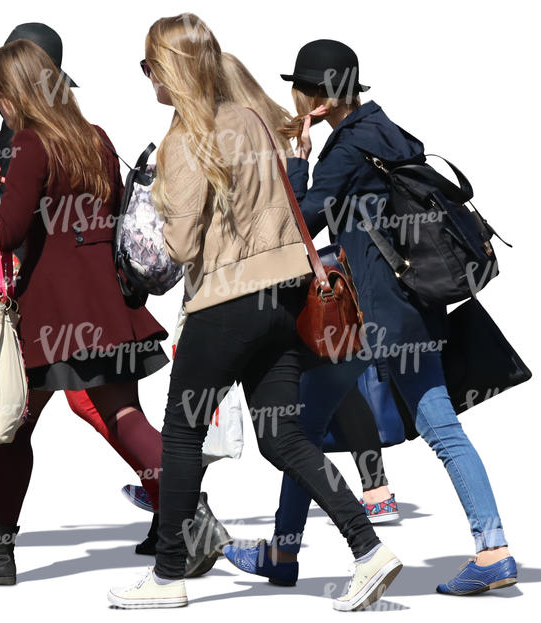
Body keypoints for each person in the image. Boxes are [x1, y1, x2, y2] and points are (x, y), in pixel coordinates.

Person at [107, 14, 402, 612]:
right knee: (282, 437)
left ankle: (167, 578)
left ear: (170, 67)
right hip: (283, 298)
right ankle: (369, 550)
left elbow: (183, 246)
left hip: (226, 304)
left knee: (184, 436)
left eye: (149, 66)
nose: (147, 79)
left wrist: (151, 221)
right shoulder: (249, 118)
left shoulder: (185, 137)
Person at [225, 38, 518, 597]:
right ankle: (284, 553)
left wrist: (297, 161)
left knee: (427, 429)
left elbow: (297, 224)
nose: (291, 93)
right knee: (310, 427)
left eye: (297, 86)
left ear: (315, 97)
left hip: (372, 317)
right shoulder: (388, 132)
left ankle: (493, 550)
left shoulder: (343, 153)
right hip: (405, 307)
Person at [0, 37, 189, 586]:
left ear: (16, 92)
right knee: (124, 418)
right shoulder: (92, 138)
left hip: (50, 319)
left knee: (12, 430)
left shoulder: (30, 143)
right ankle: (191, 526)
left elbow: (8, 232)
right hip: (107, 309)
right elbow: (108, 215)